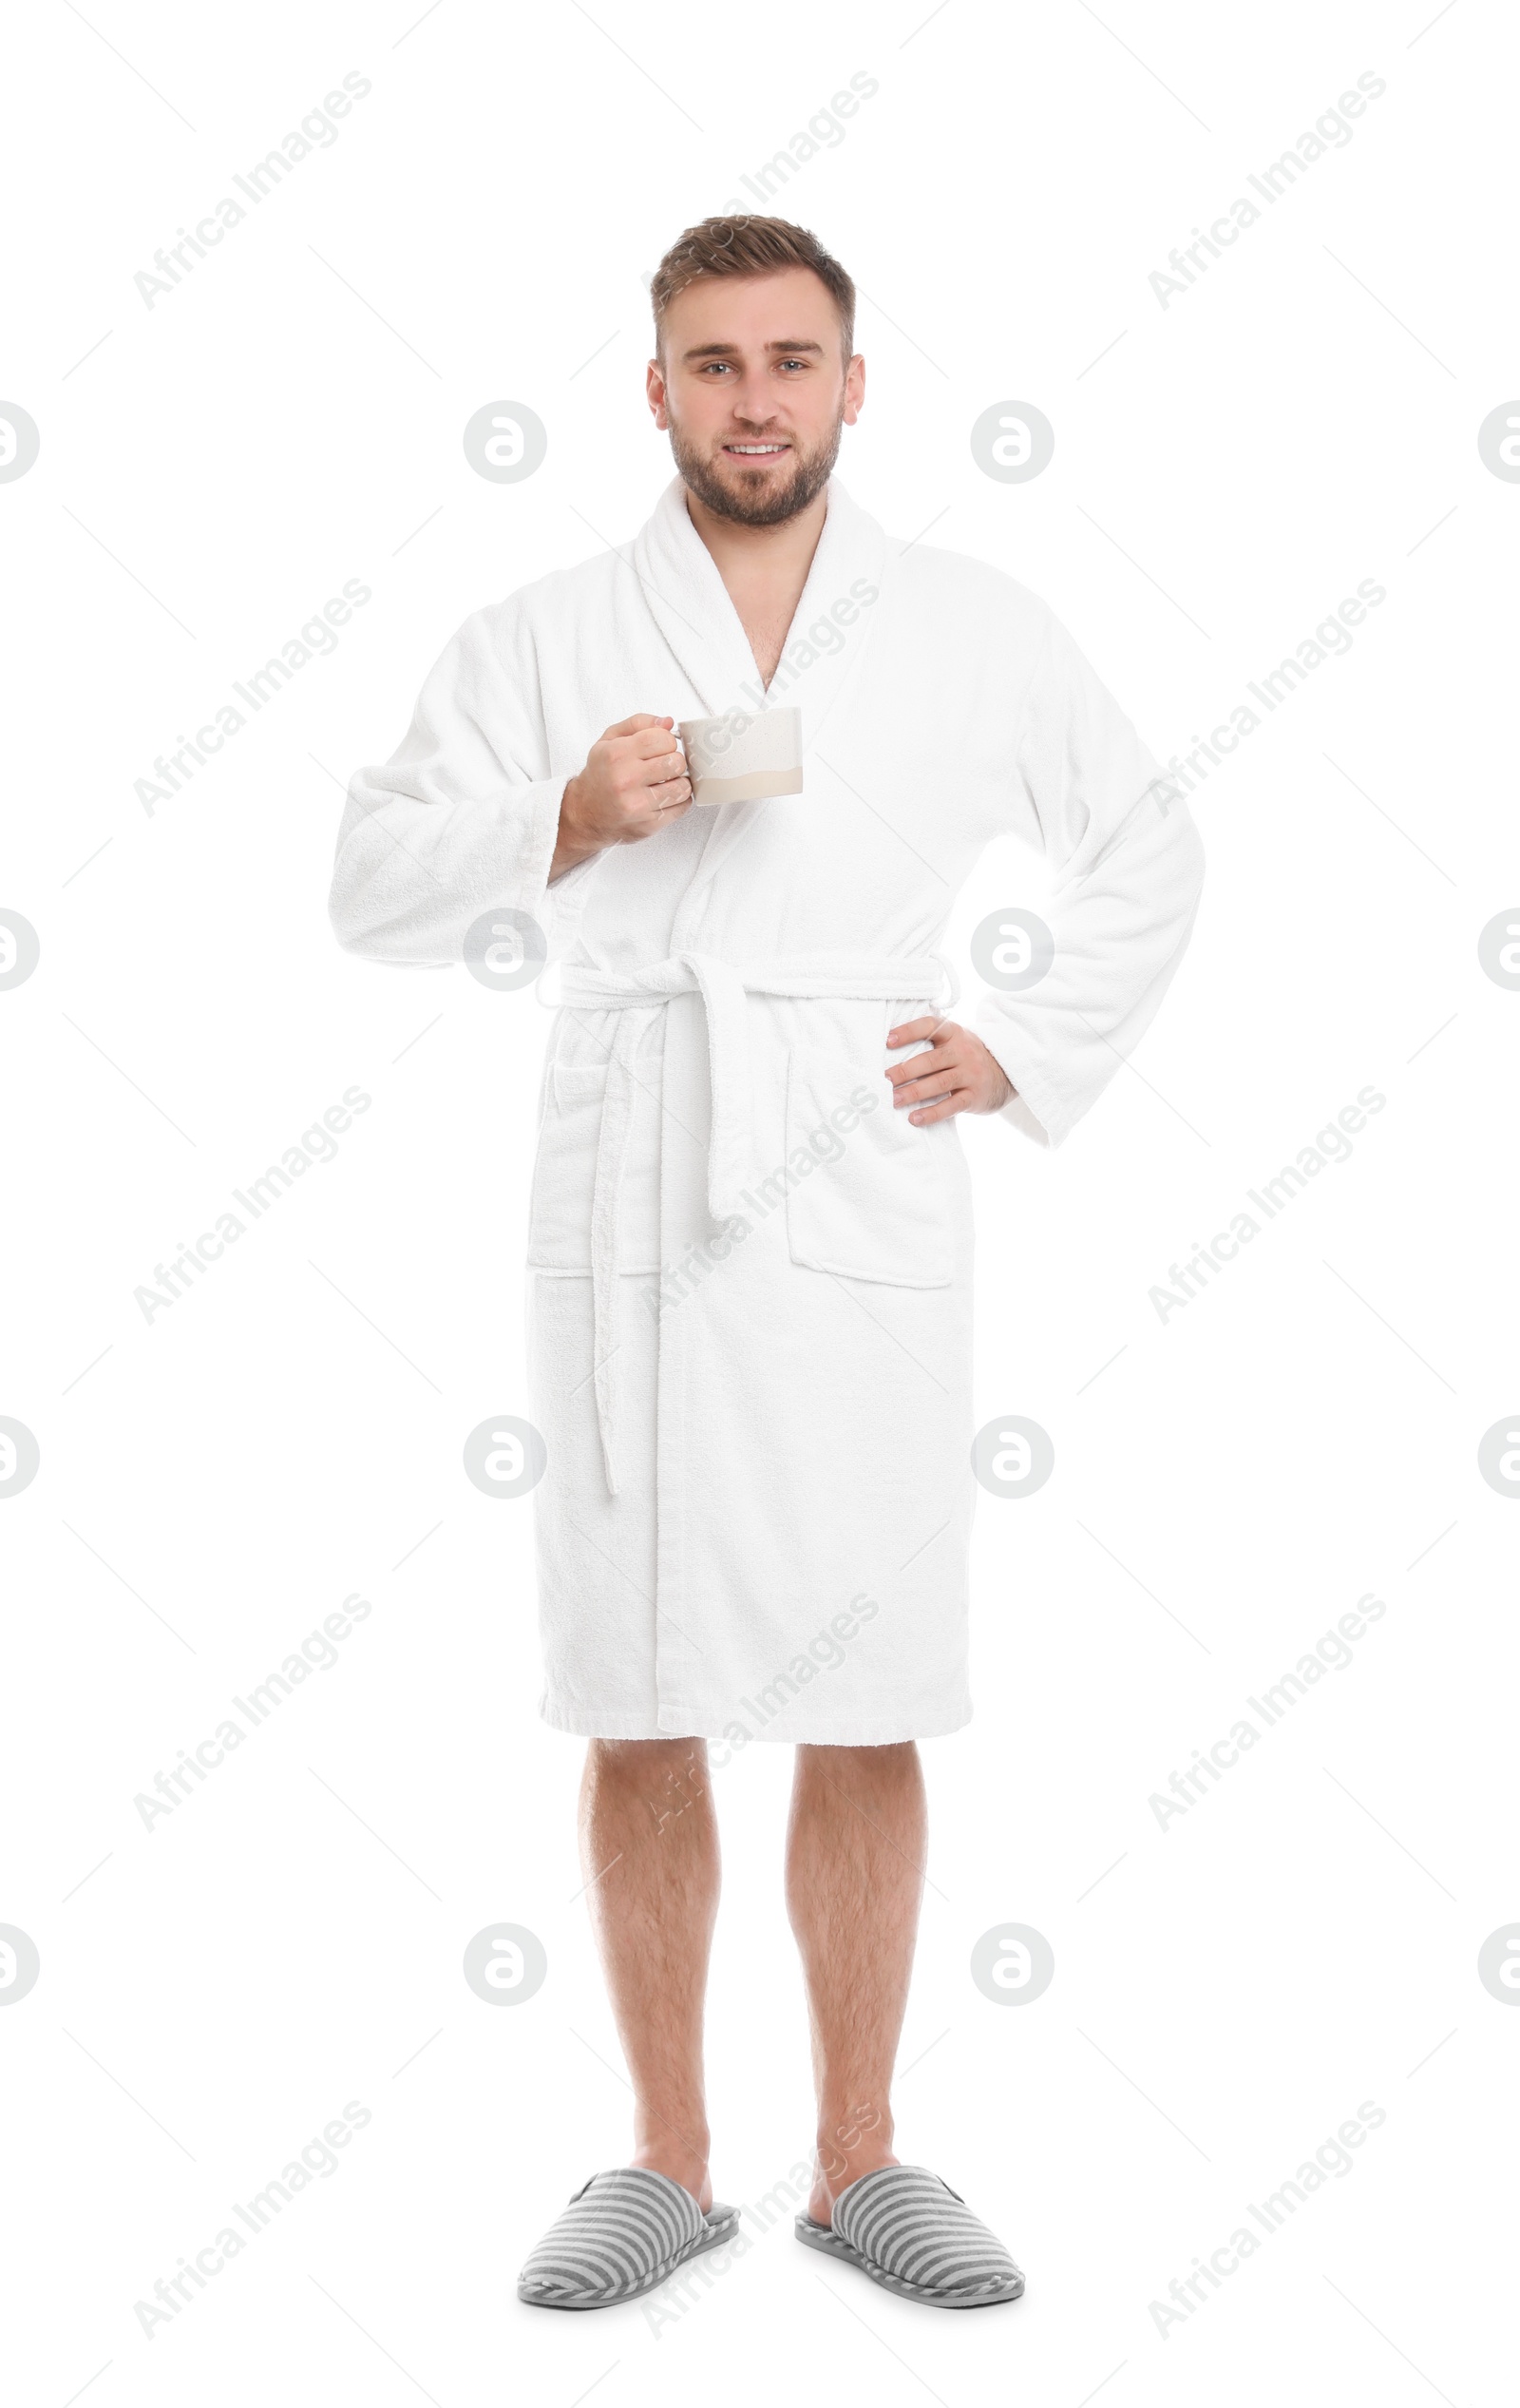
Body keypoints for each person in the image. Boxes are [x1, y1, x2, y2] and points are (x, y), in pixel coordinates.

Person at [329, 213, 1205, 2312]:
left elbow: (1147, 839)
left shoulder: (971, 624)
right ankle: (660, 2158)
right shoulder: (543, 631)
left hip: (854, 1168)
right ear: (650, 389)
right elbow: (364, 877)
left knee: (868, 1683)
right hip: (633, 1165)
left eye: (788, 360)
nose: (751, 398)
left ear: (850, 383)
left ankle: (860, 2155)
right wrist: (552, 816)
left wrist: (1020, 1043)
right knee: (634, 1689)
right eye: (710, 362)